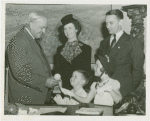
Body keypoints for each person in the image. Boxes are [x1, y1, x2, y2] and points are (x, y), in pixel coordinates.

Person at [6, 11, 59, 104]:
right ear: (31, 24)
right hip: (25, 100)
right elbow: (20, 72)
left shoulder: (30, 39)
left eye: (45, 28)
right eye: (42, 27)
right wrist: (45, 82)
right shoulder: (19, 41)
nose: (44, 32)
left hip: (34, 98)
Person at [98, 9, 144, 97]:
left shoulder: (133, 42)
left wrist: (129, 89)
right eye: (106, 23)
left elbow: (138, 71)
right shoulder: (103, 43)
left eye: (111, 23)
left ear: (121, 22)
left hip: (123, 91)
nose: (107, 26)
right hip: (105, 91)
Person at [55, 14, 91, 90]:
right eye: (65, 29)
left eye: (70, 28)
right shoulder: (59, 49)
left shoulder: (86, 49)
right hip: (64, 89)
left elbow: (86, 74)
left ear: (76, 29)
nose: (67, 31)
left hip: (79, 90)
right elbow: (57, 72)